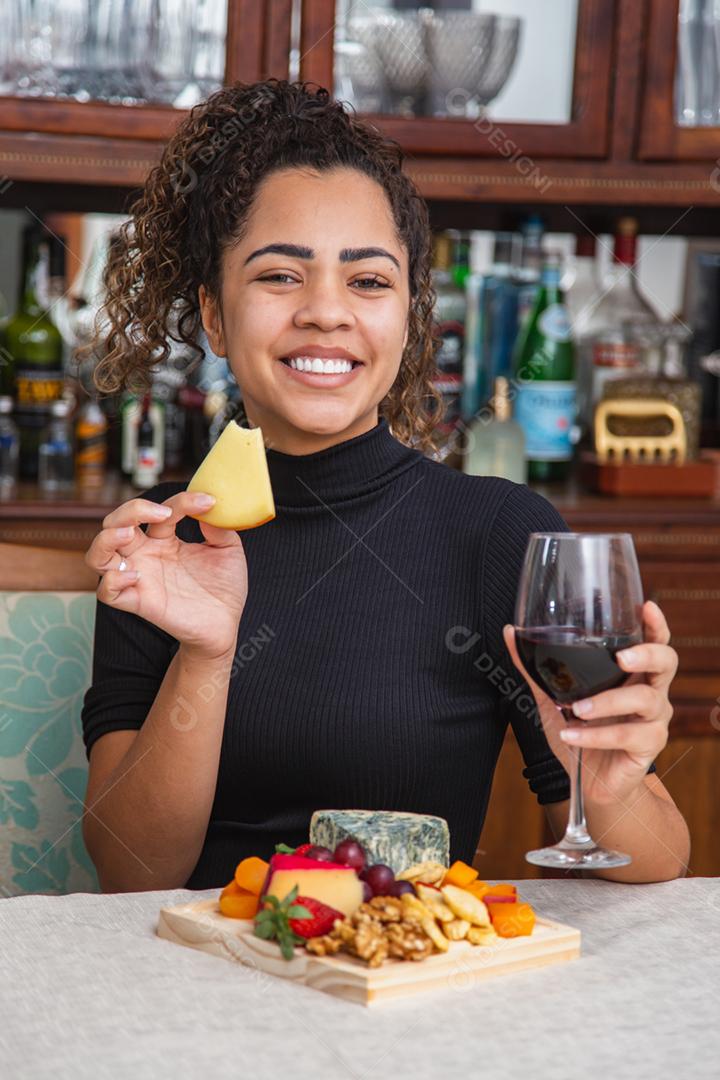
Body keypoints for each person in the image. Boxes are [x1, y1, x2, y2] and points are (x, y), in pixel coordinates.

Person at [80, 80, 689, 892]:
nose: (327, 312)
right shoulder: (162, 539)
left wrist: (608, 784)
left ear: (408, 319)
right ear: (215, 316)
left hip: (409, 990)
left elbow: (659, 864)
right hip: (200, 987)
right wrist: (207, 652)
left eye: (368, 281)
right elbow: (130, 873)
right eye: (279, 277)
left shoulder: (498, 532)